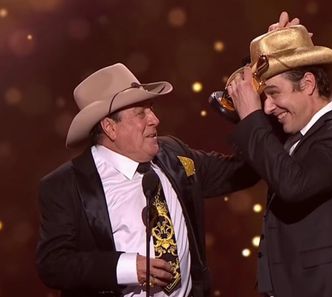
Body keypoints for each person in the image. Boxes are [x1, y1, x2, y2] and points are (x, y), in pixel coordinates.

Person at [36, 62, 259, 297]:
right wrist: (128, 268)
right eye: (141, 113)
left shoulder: (174, 154)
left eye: (151, 109)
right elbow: (53, 264)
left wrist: (257, 111)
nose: (155, 119)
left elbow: (242, 172)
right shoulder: (66, 185)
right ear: (110, 127)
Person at [227, 24, 332, 297]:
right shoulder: (303, 133)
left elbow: (292, 185)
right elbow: (236, 110)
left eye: (274, 93)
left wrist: (251, 116)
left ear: (308, 84)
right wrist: (270, 49)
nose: (267, 107)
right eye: (263, 97)